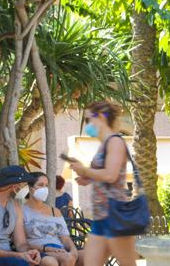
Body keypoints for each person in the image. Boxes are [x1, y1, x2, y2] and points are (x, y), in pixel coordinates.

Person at [68, 101, 137, 266]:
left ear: (100, 117)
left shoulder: (115, 142)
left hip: (115, 215)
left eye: (88, 120)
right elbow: (102, 175)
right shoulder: (103, 146)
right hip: (101, 216)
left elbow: (111, 175)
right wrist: (87, 177)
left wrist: (85, 171)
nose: (87, 125)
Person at [23, 172, 83, 266]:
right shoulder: (22, 211)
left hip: (60, 249)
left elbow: (65, 237)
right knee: (64, 259)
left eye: (46, 185)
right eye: (40, 185)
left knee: (89, 255)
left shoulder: (55, 211)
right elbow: (21, 242)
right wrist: (49, 249)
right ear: (30, 188)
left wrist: (73, 249)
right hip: (40, 250)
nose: (44, 189)